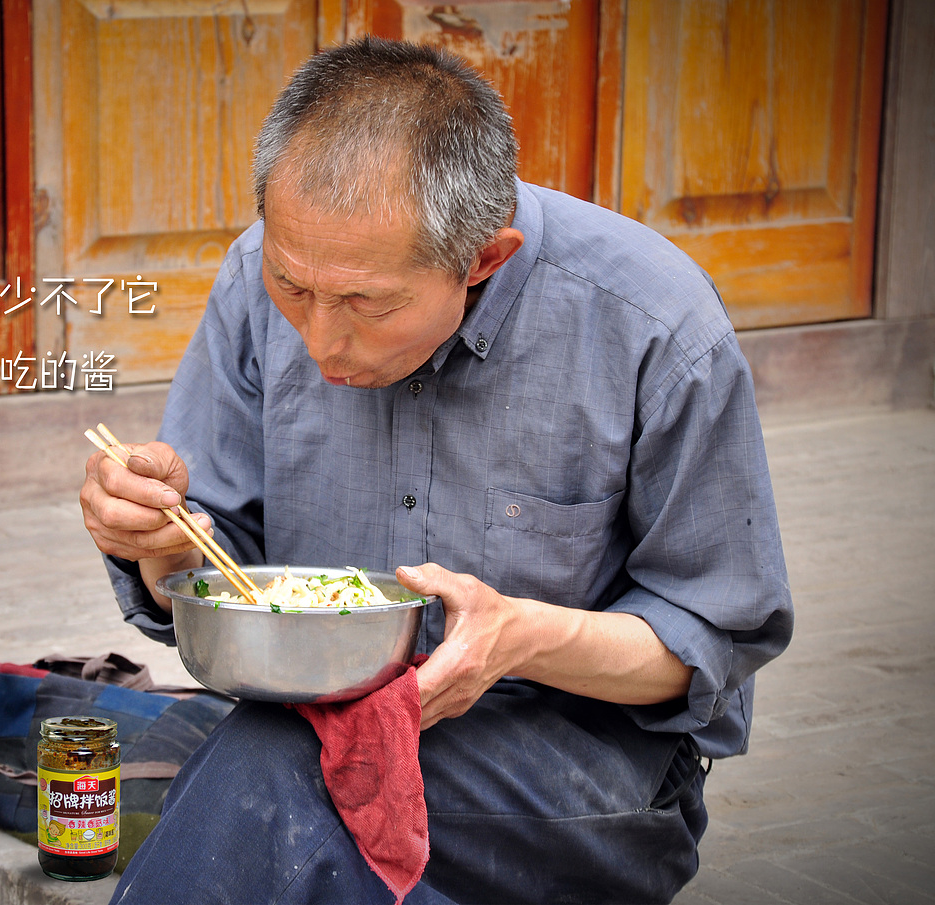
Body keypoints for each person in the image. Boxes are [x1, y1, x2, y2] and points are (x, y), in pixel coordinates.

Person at [80, 37, 793, 904]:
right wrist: (157, 542)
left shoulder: (654, 327)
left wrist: (521, 636)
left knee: (269, 782)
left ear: (483, 260)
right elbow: (218, 559)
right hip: (315, 725)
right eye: (292, 288)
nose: (319, 341)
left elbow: (711, 638)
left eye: (367, 306)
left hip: (573, 760)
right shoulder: (256, 275)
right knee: (285, 783)